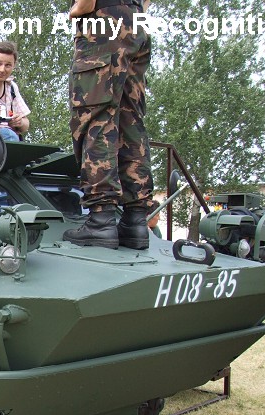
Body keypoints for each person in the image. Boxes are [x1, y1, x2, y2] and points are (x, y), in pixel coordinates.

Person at [63, 0, 154, 250]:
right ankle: (135, 221)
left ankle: (101, 221)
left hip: (103, 23)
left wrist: (78, 9)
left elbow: (85, 4)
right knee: (130, 121)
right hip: (136, 23)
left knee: (95, 118)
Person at [0, 41, 31, 143]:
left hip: (10, 138)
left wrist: (19, 122)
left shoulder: (12, 87)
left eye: (8, 65)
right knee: (8, 135)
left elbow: (26, 124)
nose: (2, 69)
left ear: (14, 65)